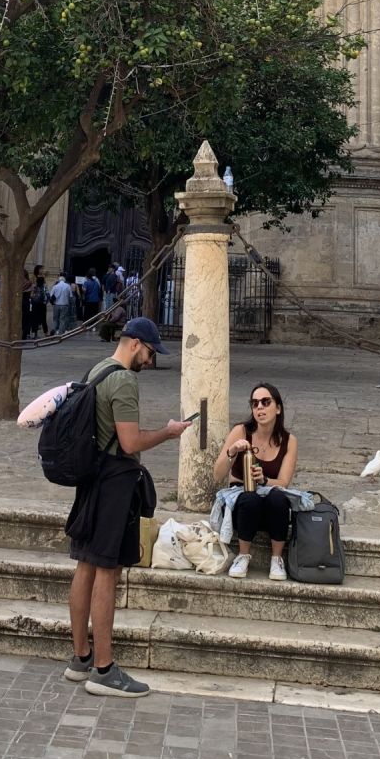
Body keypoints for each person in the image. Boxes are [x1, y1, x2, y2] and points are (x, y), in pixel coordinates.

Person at [65, 318, 190, 697]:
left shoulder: (97, 369)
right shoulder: (122, 379)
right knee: (107, 571)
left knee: (85, 565)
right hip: (114, 482)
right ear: (135, 344)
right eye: (151, 352)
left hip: (91, 478)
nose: (151, 361)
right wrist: (168, 433)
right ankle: (104, 670)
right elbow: (131, 441)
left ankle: (80, 658)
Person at [213, 382, 298, 580]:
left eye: (265, 402)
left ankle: (277, 559)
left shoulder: (289, 440)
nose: (259, 407)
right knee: (249, 498)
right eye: (255, 403)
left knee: (278, 498)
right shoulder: (241, 431)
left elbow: (284, 482)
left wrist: (264, 479)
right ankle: (243, 555)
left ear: (278, 408)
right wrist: (232, 451)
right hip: (243, 506)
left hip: (270, 506)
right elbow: (217, 474)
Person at [51, 271, 75, 336]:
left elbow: (51, 296)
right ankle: (60, 333)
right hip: (64, 305)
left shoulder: (55, 286)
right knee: (62, 319)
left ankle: (53, 329)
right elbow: (70, 296)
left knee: (55, 319)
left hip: (56, 305)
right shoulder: (67, 286)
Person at [29, 265, 49, 338]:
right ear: (37, 269)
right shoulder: (33, 277)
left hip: (42, 300)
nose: (42, 270)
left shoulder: (44, 277)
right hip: (35, 300)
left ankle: (46, 332)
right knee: (35, 317)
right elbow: (32, 288)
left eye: (42, 269)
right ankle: (35, 333)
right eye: (41, 269)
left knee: (43, 317)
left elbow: (45, 288)